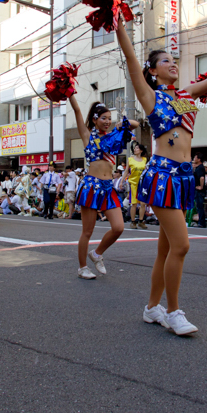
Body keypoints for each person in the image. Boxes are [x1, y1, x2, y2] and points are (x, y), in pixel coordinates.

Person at [116, 22, 207, 334]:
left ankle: (151, 307)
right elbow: (130, 60)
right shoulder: (151, 96)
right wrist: (118, 24)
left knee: (166, 250)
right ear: (154, 71)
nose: (173, 63)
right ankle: (173, 311)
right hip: (162, 175)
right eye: (165, 60)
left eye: (174, 59)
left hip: (182, 178)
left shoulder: (185, 95)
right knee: (181, 246)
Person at [67, 94, 138, 279]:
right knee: (87, 231)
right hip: (92, 186)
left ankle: (97, 254)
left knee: (119, 227)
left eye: (109, 118)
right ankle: (82, 267)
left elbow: (135, 124)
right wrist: (70, 93)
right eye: (103, 118)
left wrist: (121, 125)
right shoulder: (87, 135)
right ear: (94, 119)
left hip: (108, 187)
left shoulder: (114, 136)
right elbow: (76, 110)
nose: (107, 121)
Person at [124, 143, 149, 229]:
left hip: (142, 184)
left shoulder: (144, 160)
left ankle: (141, 221)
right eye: (134, 148)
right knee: (134, 204)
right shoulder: (130, 159)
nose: (135, 149)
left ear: (141, 150)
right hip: (133, 184)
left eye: (137, 148)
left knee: (143, 203)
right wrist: (121, 181)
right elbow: (126, 171)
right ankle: (133, 221)